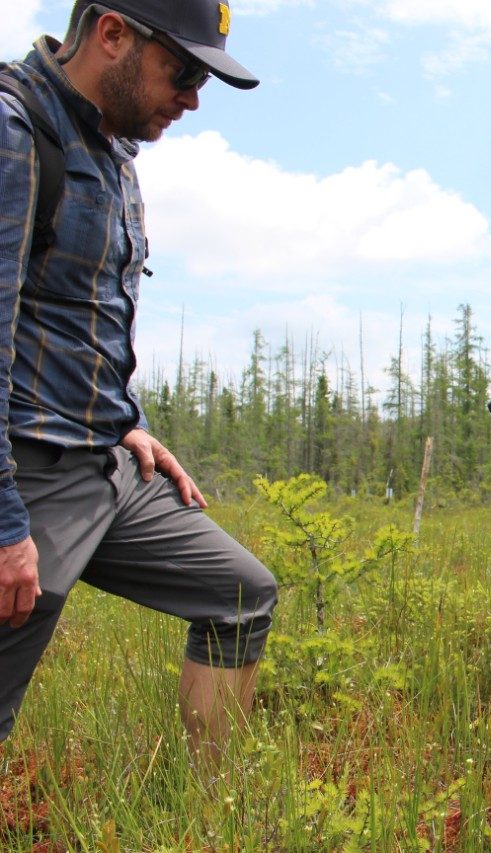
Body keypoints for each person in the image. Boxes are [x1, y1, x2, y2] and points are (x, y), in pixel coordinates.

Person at [0, 0, 276, 764]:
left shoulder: (115, 151)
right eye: (182, 71)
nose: (191, 97)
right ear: (113, 33)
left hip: (106, 461)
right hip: (27, 475)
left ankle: (207, 809)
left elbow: (72, 312)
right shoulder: (15, 131)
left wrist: (123, 417)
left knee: (239, 593)